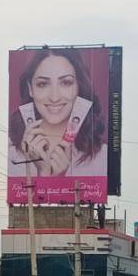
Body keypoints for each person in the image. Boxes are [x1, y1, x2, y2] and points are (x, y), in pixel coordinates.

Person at [8, 49, 107, 179]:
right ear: (30, 89)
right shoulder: (12, 153)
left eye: (66, 83)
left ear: (79, 87)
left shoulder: (101, 156)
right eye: (43, 84)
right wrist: (44, 174)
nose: (54, 97)